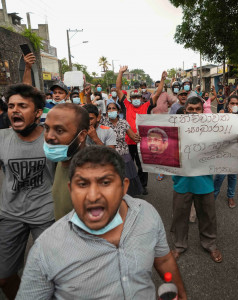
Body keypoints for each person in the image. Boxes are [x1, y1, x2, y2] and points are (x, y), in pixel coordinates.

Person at [16, 146, 187, 300]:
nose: (93, 196)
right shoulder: (45, 250)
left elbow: (164, 261)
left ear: (123, 186)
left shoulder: (146, 213)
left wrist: (180, 293)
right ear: (70, 190)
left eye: (105, 183)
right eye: (82, 184)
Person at [0, 84, 56, 299]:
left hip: (46, 216)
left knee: (52, 275)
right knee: (3, 277)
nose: (15, 110)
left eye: (22, 106)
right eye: (11, 106)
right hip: (10, 215)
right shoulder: (2, 138)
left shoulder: (52, 139)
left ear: (37, 113)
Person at [170, 96, 222, 263]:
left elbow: (225, 145)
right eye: (190, 110)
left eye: (197, 109)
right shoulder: (174, 129)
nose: (193, 113)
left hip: (204, 182)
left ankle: (210, 244)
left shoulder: (212, 130)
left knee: (208, 216)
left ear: (202, 111)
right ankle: (179, 245)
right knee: (179, 216)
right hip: (182, 181)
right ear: (185, 111)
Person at [116, 66, 162, 195]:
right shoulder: (126, 105)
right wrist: (120, 72)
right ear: (130, 99)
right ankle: (129, 186)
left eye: (138, 97)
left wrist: (162, 80)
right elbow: (118, 89)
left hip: (142, 142)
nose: (136, 99)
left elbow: (158, 93)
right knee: (127, 165)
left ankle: (143, 186)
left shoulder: (147, 106)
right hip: (127, 142)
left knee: (142, 166)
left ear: (142, 98)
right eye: (134, 97)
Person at [43, 103, 89, 220]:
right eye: (47, 128)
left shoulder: (92, 173)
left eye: (59, 130)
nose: (49, 136)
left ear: (82, 135)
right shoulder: (63, 158)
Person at [103, 102, 143, 196]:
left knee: (127, 178)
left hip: (124, 154)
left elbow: (133, 137)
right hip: (109, 156)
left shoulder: (123, 122)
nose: (111, 110)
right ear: (107, 112)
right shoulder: (103, 123)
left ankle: (127, 198)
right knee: (112, 178)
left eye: (114, 108)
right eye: (109, 109)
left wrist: (139, 136)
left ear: (118, 111)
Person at [214, 95, 238, 208]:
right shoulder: (222, 114)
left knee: (233, 175)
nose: (235, 105)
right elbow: (219, 132)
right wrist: (231, 116)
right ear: (228, 104)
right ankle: (213, 195)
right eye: (232, 103)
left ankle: (230, 196)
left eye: (237, 103)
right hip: (223, 150)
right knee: (220, 175)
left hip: (236, 151)